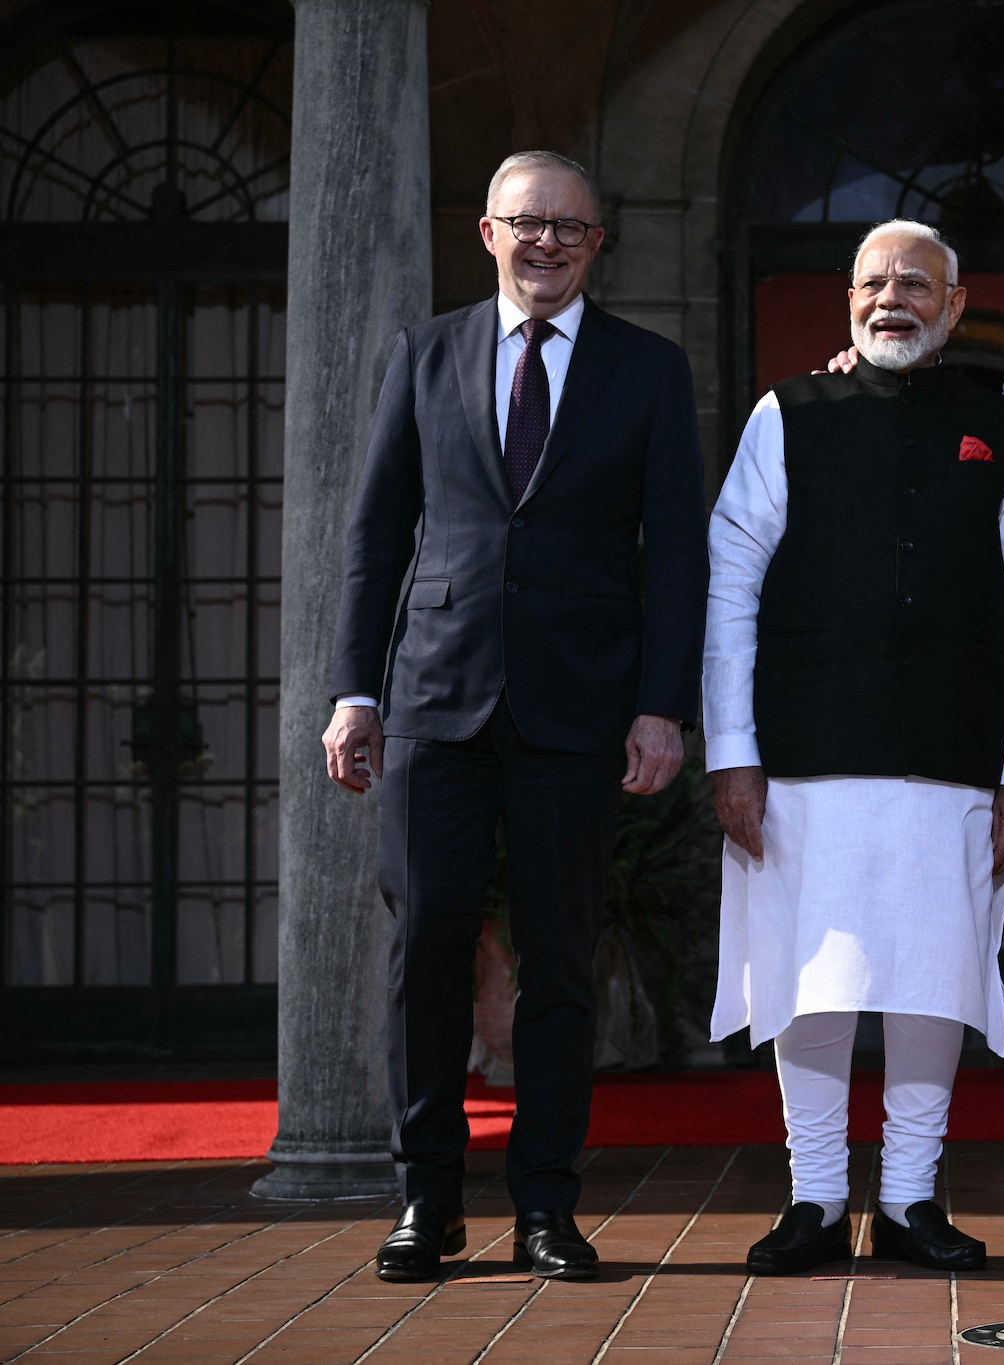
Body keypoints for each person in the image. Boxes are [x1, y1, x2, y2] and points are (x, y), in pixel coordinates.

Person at [324, 150, 708, 1283]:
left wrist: (661, 709)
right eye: (525, 223)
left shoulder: (647, 370)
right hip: (434, 707)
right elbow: (373, 537)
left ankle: (546, 1204)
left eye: (570, 228)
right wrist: (355, 692)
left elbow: (676, 554)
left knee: (558, 963)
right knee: (426, 946)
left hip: (579, 712)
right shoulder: (424, 354)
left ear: (598, 244)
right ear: (487, 234)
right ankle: (425, 1202)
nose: (546, 243)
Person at [706, 220, 1004, 1276]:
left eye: (915, 283)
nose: (889, 297)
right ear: (846, 300)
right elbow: (731, 591)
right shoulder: (786, 414)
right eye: (871, 282)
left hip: (952, 755)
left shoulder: (999, 428)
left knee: (928, 979)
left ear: (953, 307)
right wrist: (730, 750)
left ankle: (909, 1198)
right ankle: (813, 1198)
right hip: (800, 755)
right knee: (804, 984)